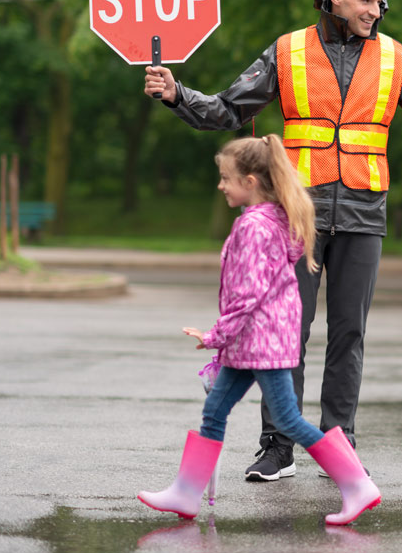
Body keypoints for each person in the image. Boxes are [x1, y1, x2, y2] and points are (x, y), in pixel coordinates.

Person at [143, 0, 402, 481]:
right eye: (367, 1)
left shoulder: (394, 56)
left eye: (380, 3)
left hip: (365, 211)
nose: (377, 11)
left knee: (349, 333)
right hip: (297, 214)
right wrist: (177, 94)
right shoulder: (288, 50)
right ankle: (278, 447)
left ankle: (339, 442)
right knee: (285, 331)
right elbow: (228, 109)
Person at [137, 135, 380, 526]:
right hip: (254, 343)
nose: (221, 185)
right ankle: (185, 493)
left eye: (226, 178)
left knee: (288, 420)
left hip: (261, 344)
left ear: (250, 182)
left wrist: (214, 336)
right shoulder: (273, 220)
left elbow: (247, 294)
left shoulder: (254, 227)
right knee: (215, 410)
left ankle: (355, 484)